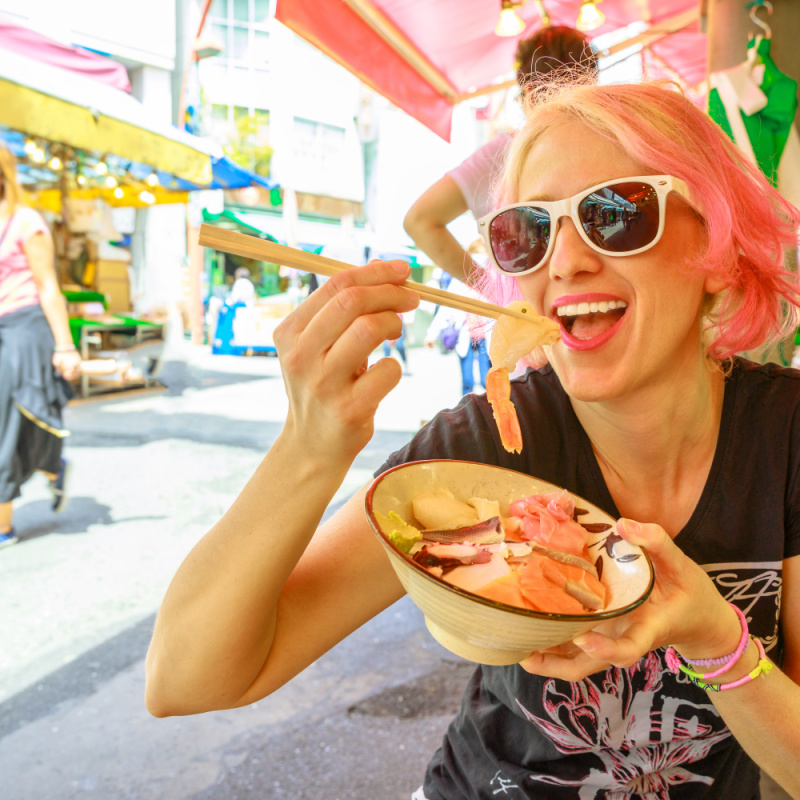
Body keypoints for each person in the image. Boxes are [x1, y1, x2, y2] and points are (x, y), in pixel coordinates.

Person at [145, 80, 800, 800]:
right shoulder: (490, 442)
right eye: (529, 231)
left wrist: (716, 640)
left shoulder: (784, 436)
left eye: (615, 214)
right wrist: (309, 447)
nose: (566, 262)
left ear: (714, 243)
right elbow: (187, 678)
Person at [403, 25, 598, 285]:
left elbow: (420, 221)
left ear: (528, 94)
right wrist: (488, 287)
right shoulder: (504, 153)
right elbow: (419, 221)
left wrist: (487, 286)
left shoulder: (504, 153)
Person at [0, 147, 80, 548]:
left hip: (25, 326)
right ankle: (54, 468)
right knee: (15, 421)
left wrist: (65, 346)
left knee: (19, 418)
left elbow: (48, 286)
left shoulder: (24, 221)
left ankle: (3, 526)